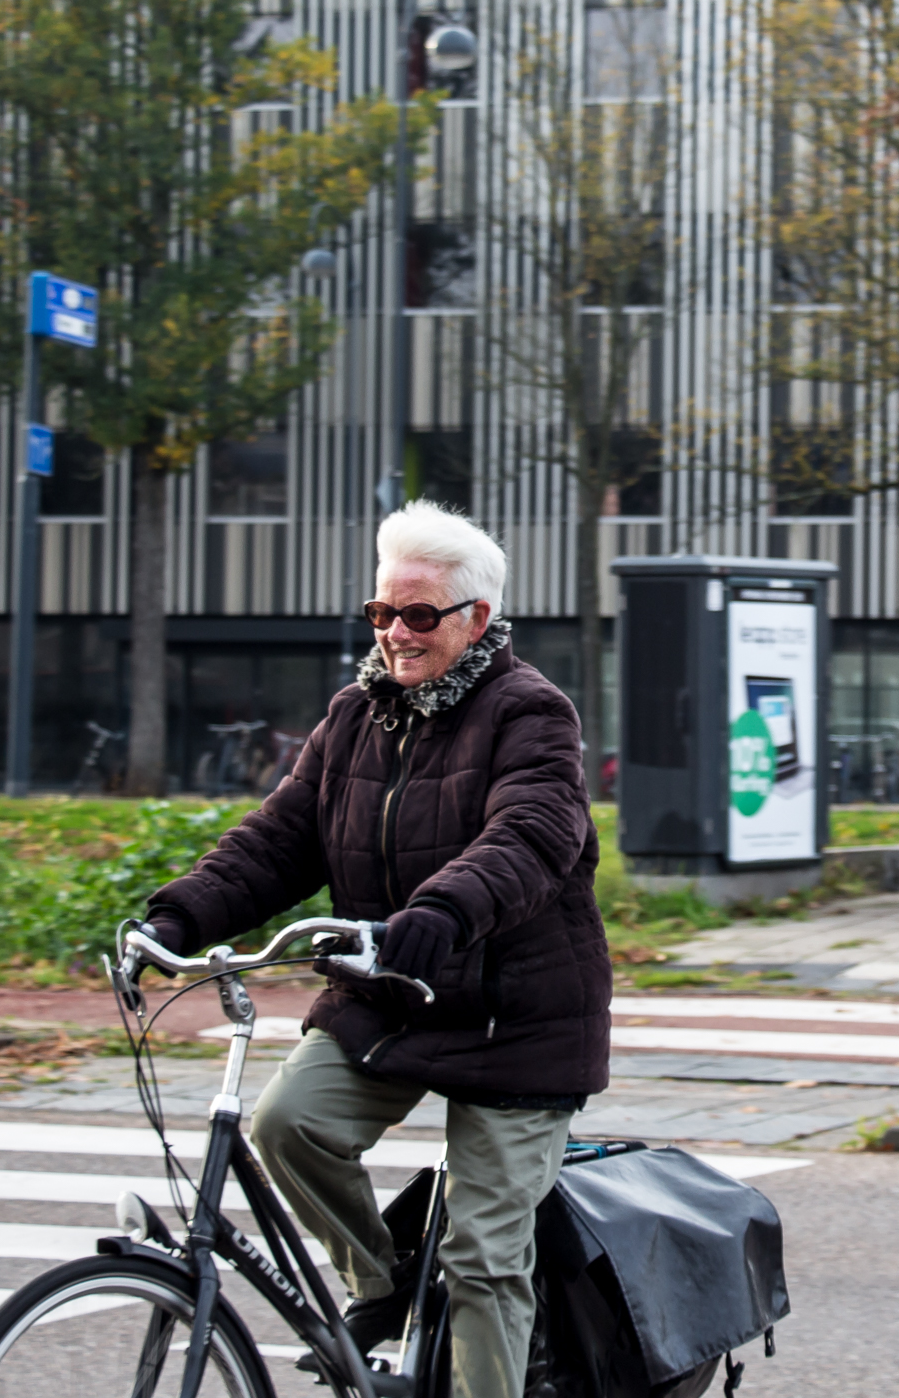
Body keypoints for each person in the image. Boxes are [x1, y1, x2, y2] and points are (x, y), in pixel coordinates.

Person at [140, 501, 610, 1398]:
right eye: (382, 612)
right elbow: (282, 839)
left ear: (475, 618)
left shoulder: (531, 712)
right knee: (288, 1124)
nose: (396, 632)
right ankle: (382, 1283)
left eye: (419, 614)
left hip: (516, 1018)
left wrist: (440, 913)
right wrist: (179, 918)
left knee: (483, 1257)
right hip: (391, 997)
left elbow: (532, 835)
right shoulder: (358, 714)